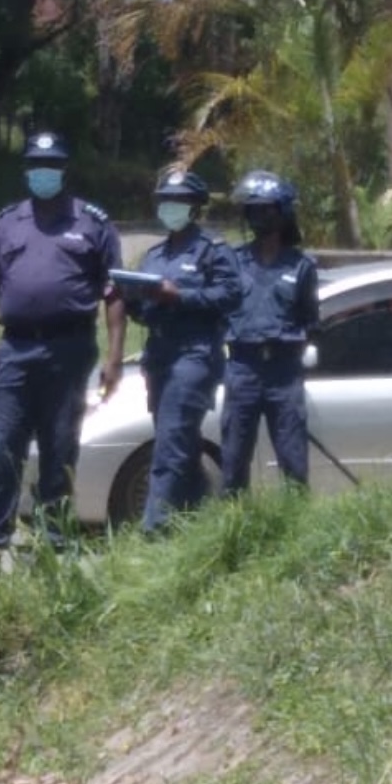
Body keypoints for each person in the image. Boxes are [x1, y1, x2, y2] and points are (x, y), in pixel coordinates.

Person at [0, 130, 125, 578]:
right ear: (26, 170)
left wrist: (113, 358)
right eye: (37, 165)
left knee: (59, 452)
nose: (44, 173)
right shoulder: (8, 222)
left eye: (52, 165)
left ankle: (53, 549)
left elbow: (115, 294)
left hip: (69, 350)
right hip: (16, 349)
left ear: (64, 170)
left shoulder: (92, 223)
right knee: (0, 451)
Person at [121, 168, 241, 532]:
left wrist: (180, 295)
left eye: (179, 202)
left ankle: (153, 530)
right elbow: (146, 311)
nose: (170, 208)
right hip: (159, 356)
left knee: (170, 444)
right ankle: (201, 519)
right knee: (180, 445)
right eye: (166, 202)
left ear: (195, 208)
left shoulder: (213, 250)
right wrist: (130, 300)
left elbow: (230, 295)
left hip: (194, 356)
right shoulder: (154, 255)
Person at [220, 170, 319, 493]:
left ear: (282, 213)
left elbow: (310, 318)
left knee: (293, 462)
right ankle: (234, 529)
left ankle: (293, 528)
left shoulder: (301, 266)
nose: (258, 216)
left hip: (284, 371)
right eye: (252, 210)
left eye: (266, 209)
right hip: (243, 368)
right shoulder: (233, 261)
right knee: (233, 461)